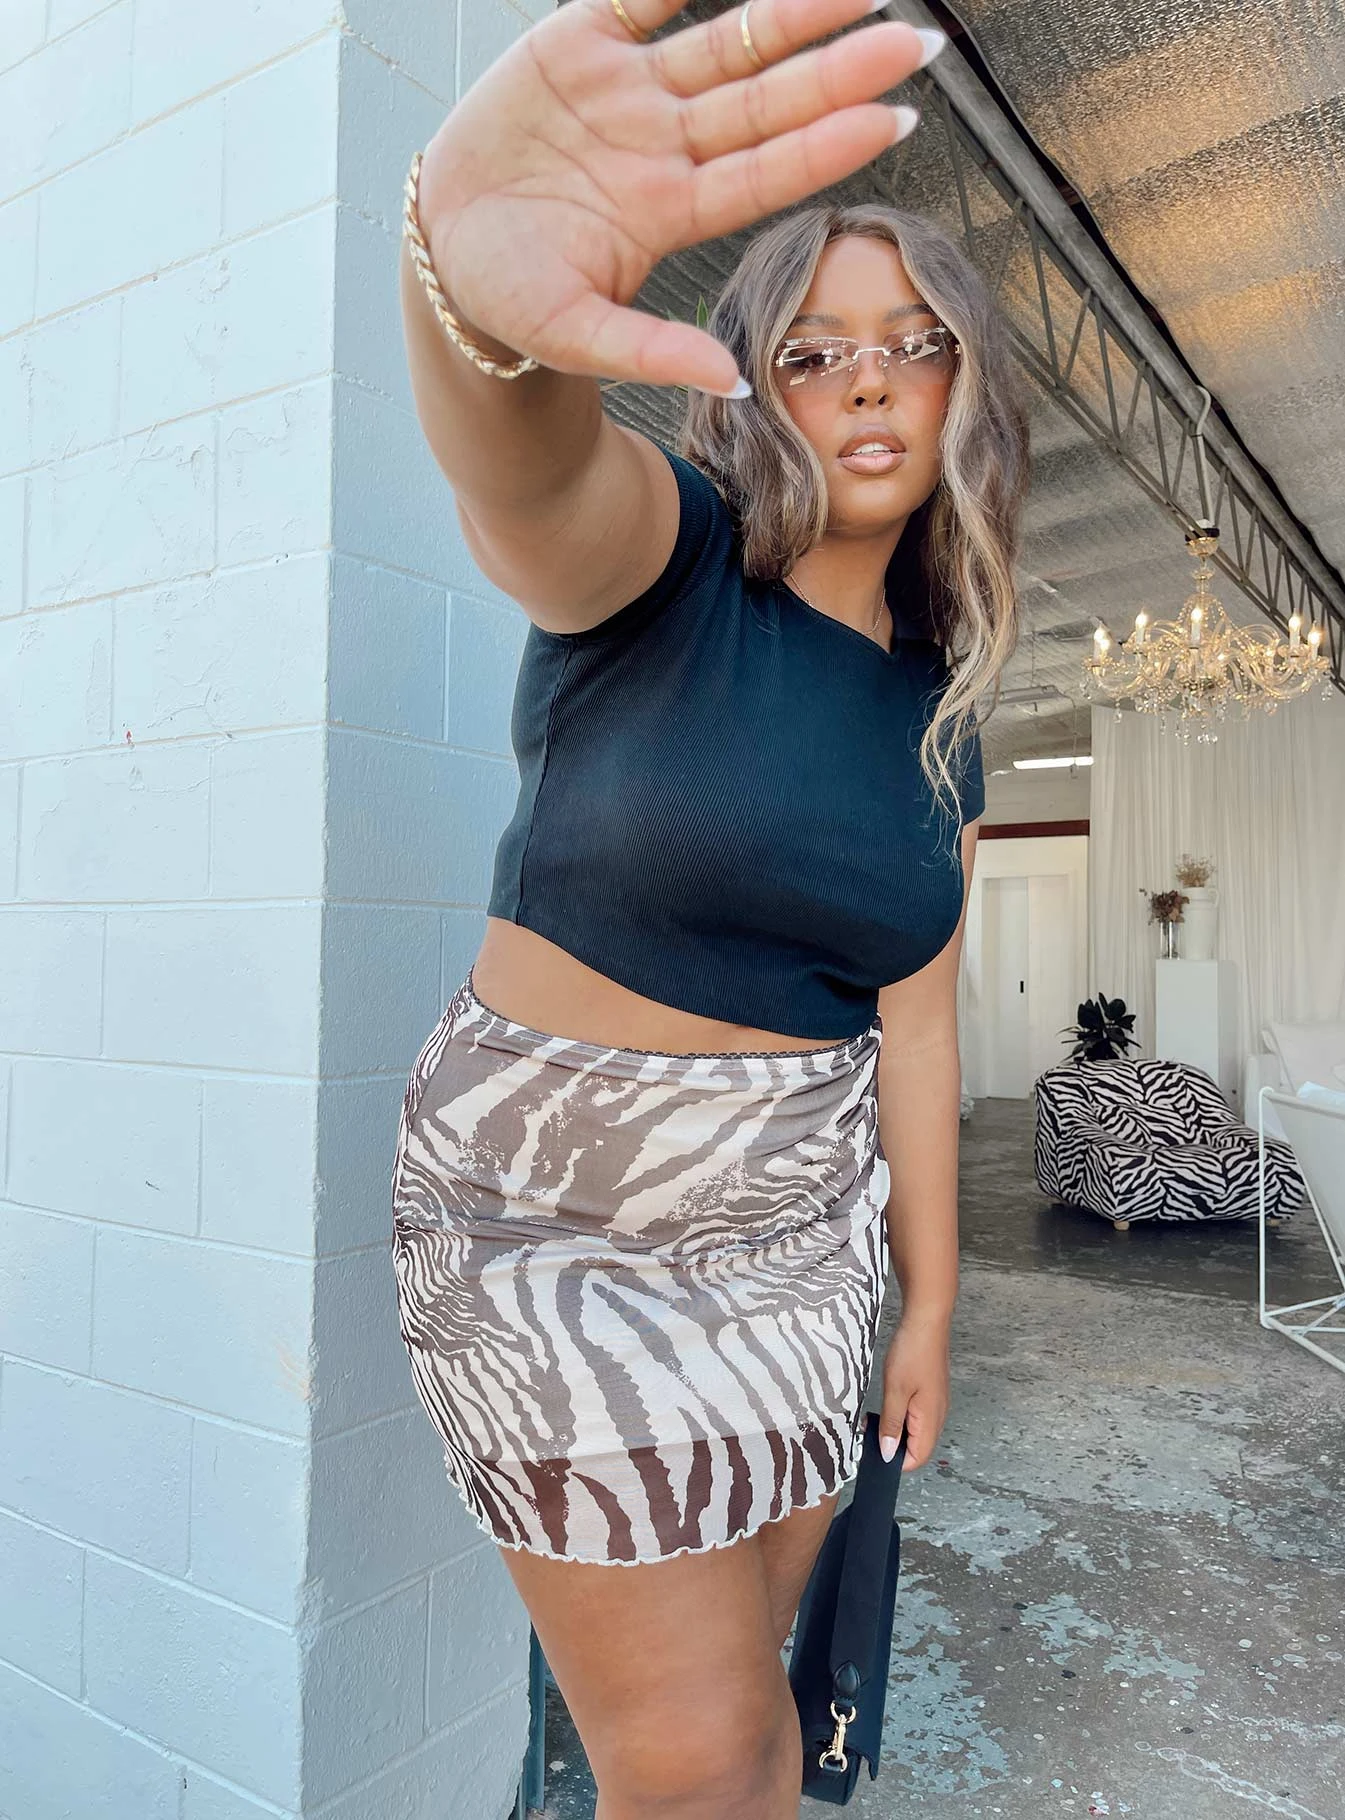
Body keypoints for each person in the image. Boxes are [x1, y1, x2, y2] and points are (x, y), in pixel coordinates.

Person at [390, 0, 1029, 1812]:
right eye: (816, 353)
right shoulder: (666, 559)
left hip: (803, 1246)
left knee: (748, 1728)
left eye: (912, 346)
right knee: (701, 1765)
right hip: (558, 1232)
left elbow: (919, 1023)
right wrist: (471, 299)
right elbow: (525, 472)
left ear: (967, 386)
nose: (869, 384)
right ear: (749, 382)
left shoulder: (943, 714)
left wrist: (928, 1305)